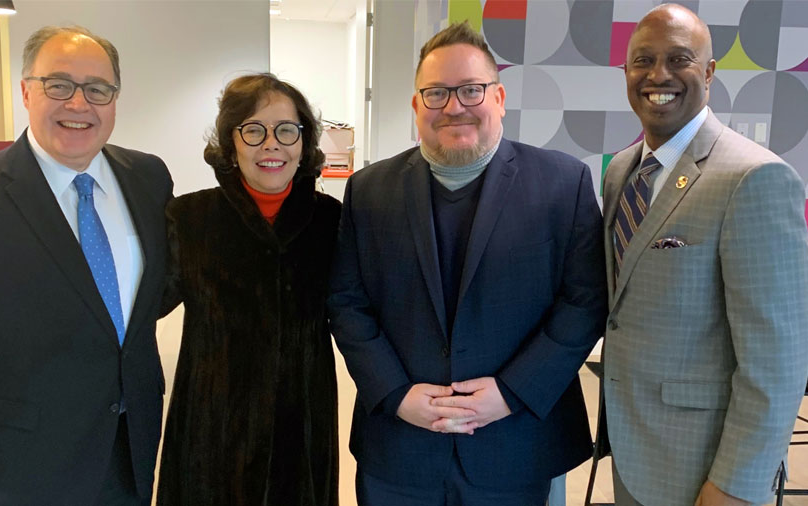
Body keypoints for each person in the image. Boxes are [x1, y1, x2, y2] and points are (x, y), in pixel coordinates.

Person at [327, 21, 607, 505]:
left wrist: (512, 392)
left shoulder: (564, 184)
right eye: (436, 93)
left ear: (498, 99)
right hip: (400, 446)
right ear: (416, 106)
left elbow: (583, 304)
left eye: (471, 90)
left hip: (516, 443)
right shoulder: (369, 190)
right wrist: (395, 394)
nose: (454, 106)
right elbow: (348, 304)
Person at [0, 26, 173, 506]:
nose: (79, 104)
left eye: (98, 89)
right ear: (27, 91)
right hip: (16, 465)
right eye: (59, 85)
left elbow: (150, 297)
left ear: (115, 98)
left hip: (127, 450)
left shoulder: (148, 177)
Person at [599, 4, 808, 505]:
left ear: (710, 72)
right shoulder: (621, 171)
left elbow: (776, 363)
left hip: (706, 467)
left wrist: (735, 485)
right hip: (633, 449)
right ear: (625, 72)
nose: (658, 75)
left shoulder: (754, 178)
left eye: (679, 59)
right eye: (642, 61)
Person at [157, 73, 340, 506]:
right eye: (253, 130)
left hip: (303, 421)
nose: (271, 145)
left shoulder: (332, 222)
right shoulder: (189, 218)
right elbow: (145, 303)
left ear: (304, 142)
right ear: (230, 142)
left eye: (286, 130)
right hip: (213, 425)